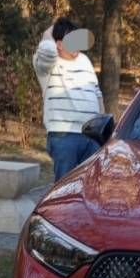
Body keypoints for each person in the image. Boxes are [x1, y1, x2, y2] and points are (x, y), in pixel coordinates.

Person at [33, 17, 104, 180]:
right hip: (64, 136)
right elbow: (47, 49)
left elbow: (97, 93)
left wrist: (102, 127)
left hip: (91, 136)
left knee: (91, 185)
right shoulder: (47, 64)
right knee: (65, 186)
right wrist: (52, 29)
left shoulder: (85, 61)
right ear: (58, 44)